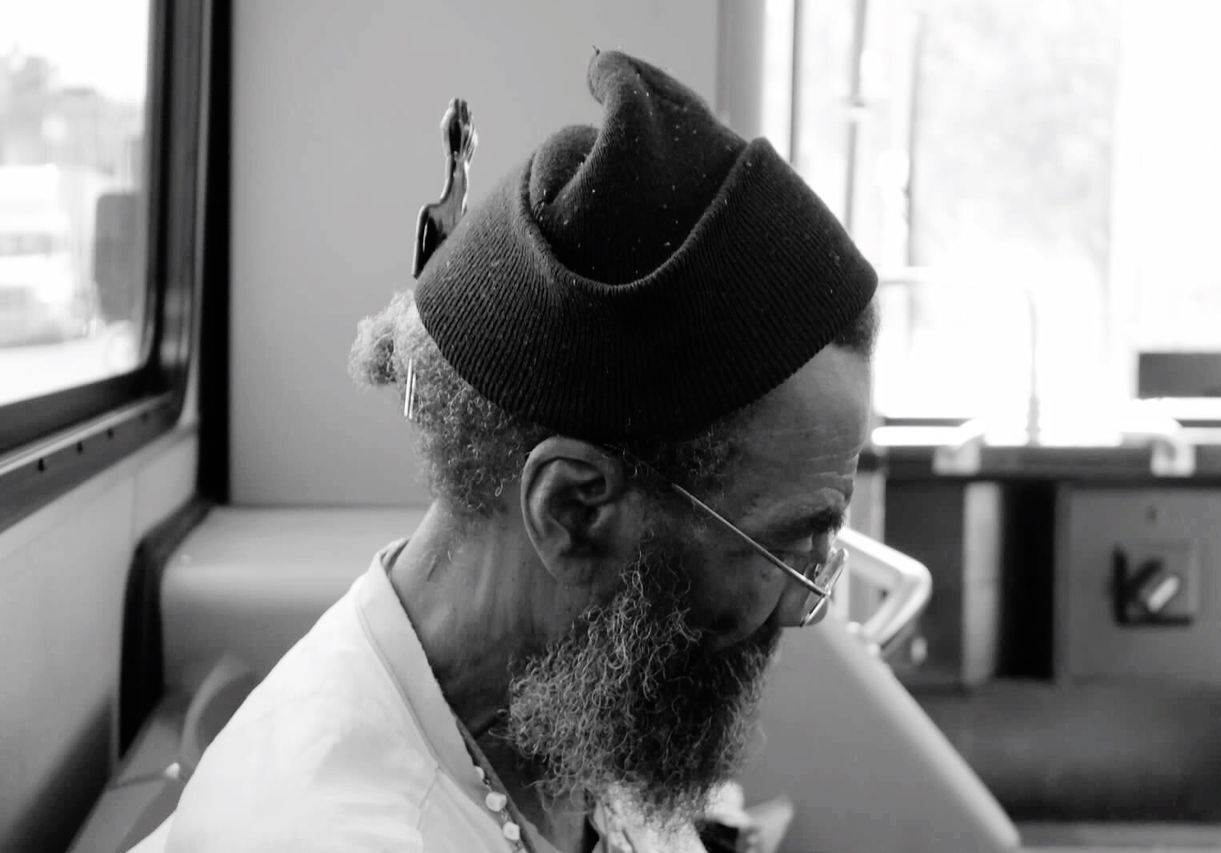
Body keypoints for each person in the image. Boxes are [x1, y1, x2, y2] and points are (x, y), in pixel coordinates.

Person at [159, 49, 878, 852]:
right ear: (573, 508)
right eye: (786, 550)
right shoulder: (327, 831)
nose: (801, 606)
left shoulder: (565, 695)